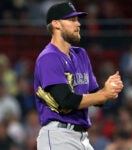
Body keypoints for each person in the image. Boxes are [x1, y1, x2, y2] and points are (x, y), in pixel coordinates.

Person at [34, 1, 123, 150]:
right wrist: (103, 95)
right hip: (58, 136)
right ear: (56, 24)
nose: (78, 24)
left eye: (77, 20)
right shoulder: (48, 57)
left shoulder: (80, 54)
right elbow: (66, 101)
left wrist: (108, 91)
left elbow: (96, 97)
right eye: (72, 20)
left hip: (82, 138)